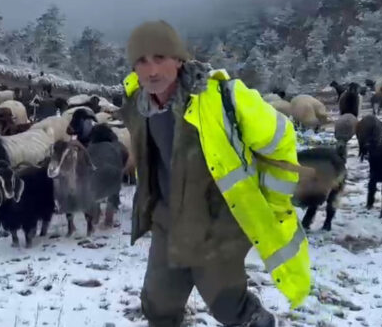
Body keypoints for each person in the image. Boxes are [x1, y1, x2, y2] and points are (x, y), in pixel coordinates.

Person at [120, 20, 311, 327]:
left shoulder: (224, 97)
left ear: (179, 59)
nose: (152, 70)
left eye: (160, 58)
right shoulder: (137, 105)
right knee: (158, 306)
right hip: (167, 223)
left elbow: (281, 138)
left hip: (217, 227)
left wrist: (274, 201)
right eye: (141, 61)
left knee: (228, 307)